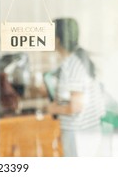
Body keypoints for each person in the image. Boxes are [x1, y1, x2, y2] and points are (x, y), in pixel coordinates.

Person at [46, 17, 105, 157]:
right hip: (86, 132)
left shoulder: (73, 64)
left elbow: (76, 106)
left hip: (80, 134)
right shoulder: (77, 58)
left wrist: (52, 108)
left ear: (58, 39)